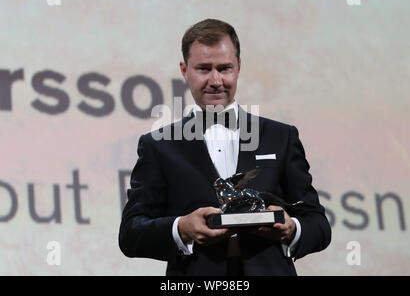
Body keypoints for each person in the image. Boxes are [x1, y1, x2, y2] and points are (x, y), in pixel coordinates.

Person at [119, 19, 331, 276]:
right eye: (203, 69)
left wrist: (292, 228)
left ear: (239, 67)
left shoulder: (281, 136)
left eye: (224, 68)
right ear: (185, 70)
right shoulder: (159, 146)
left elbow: (318, 224)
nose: (215, 80)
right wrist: (182, 228)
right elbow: (131, 234)